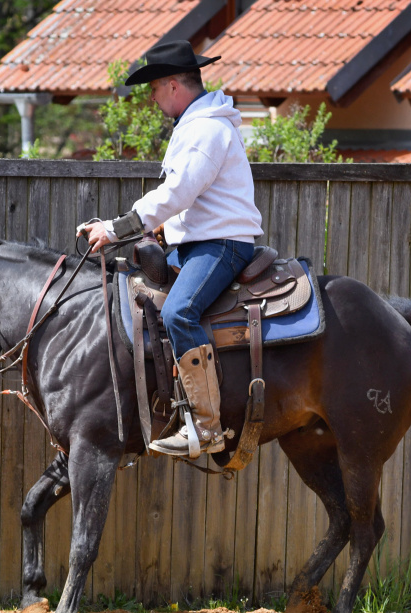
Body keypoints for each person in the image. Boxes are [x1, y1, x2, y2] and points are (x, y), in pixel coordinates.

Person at [79, 40, 263, 457]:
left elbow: (177, 192)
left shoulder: (206, 129)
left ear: (174, 85)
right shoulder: (196, 125)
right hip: (199, 243)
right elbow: (186, 201)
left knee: (180, 311)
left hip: (221, 247)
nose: (152, 98)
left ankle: (207, 425)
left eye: (155, 89)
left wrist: (117, 227)